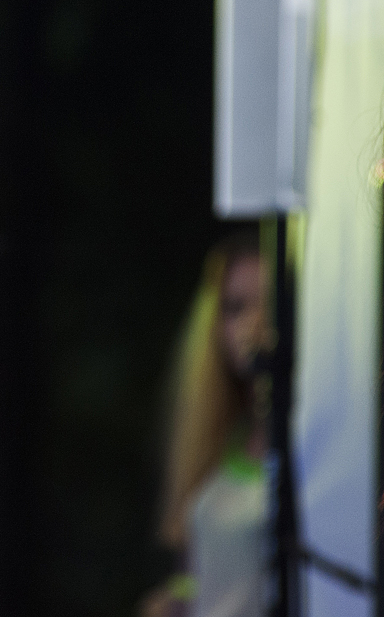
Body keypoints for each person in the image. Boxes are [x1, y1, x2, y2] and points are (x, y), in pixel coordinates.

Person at [142, 230, 271, 617]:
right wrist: (178, 597)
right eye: (235, 308)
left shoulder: (319, 447)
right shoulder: (223, 437)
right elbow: (204, 571)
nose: (253, 323)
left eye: (270, 304)